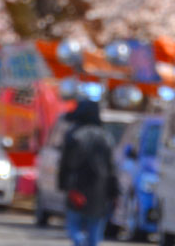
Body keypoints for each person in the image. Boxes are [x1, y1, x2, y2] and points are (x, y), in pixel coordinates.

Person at [57, 99, 117, 246]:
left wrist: (63, 183)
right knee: (94, 231)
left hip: (76, 187)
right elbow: (111, 168)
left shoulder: (74, 134)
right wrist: (113, 191)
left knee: (74, 228)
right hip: (99, 190)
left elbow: (65, 163)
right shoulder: (106, 137)